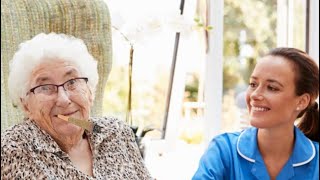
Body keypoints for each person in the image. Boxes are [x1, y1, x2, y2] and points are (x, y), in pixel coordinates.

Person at [1, 33, 152, 179]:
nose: (63, 99)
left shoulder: (116, 132)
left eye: (72, 82)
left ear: (90, 92)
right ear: (26, 105)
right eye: (46, 87)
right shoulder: (11, 150)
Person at [193, 47, 319, 180]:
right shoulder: (223, 150)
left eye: (272, 88)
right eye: (253, 84)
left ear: (302, 101)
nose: (255, 95)